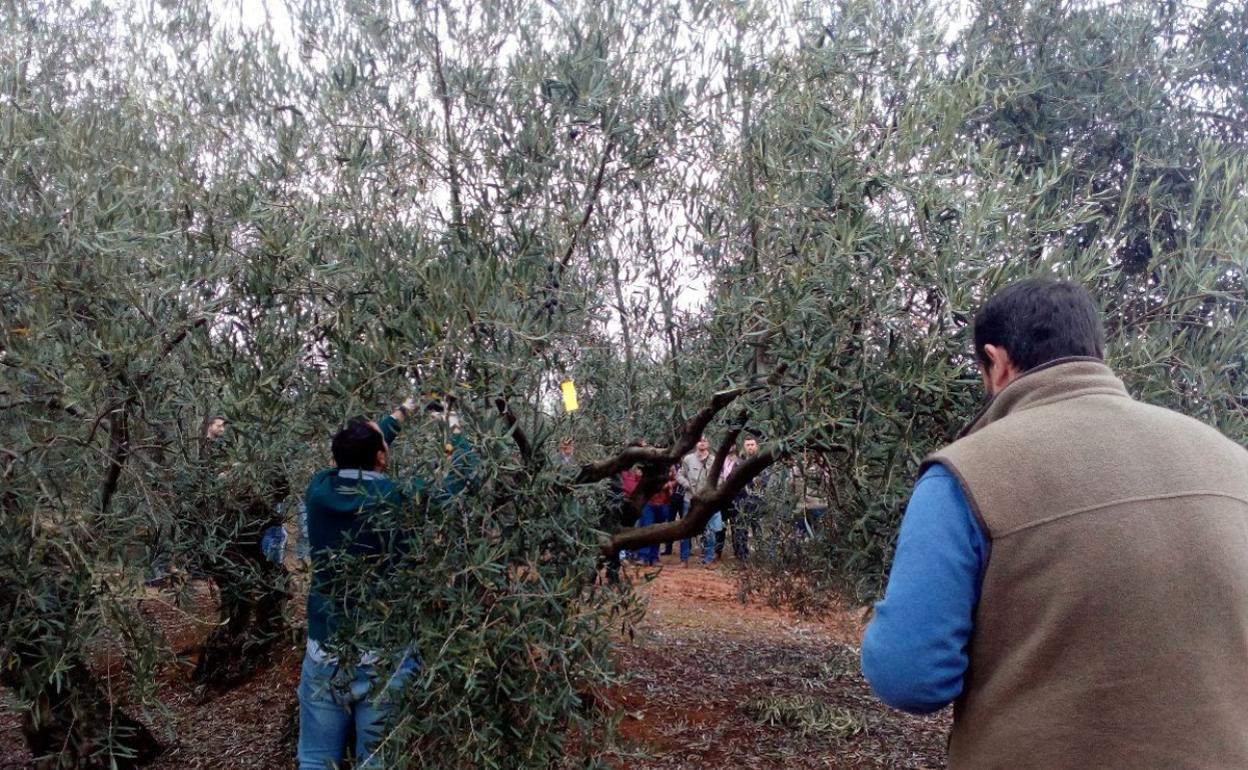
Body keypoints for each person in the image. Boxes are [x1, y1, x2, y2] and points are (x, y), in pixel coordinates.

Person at [860, 278, 1248, 769]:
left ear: (996, 362)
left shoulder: (964, 475)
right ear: (1095, 352)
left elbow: (908, 677)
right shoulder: (1232, 461)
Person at [298, 396, 473, 769]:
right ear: (381, 456)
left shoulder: (318, 491)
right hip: (385, 656)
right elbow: (461, 477)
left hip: (326, 651)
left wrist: (405, 410)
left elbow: (359, 453)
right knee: (378, 762)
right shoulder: (401, 498)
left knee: (314, 760)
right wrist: (451, 423)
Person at [676, 436, 719, 566]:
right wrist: (687, 485)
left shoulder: (714, 460)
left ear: (708, 443)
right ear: (696, 443)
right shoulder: (688, 459)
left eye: (705, 441)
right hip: (690, 500)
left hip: (707, 502)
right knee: (685, 529)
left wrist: (712, 491)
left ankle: (708, 559)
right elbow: (679, 475)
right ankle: (684, 559)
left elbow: (720, 477)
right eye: (699, 440)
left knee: (709, 529)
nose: (702, 443)